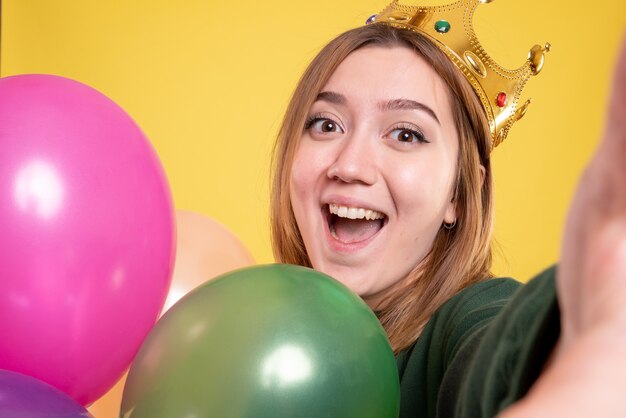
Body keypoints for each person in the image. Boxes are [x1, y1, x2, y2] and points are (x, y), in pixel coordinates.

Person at [269, 0, 626, 416]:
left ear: (459, 193)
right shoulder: (270, 338)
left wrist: (591, 355)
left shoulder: (469, 318)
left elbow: (510, 353)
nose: (349, 166)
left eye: (405, 134)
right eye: (327, 124)